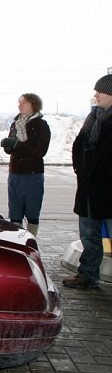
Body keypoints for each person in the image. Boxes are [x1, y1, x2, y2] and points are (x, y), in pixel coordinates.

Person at [63, 74, 112, 289]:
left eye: (100, 91)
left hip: (108, 190)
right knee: (89, 236)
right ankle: (87, 275)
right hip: (88, 189)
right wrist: (79, 168)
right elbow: (78, 144)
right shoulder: (93, 117)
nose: (96, 95)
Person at [0, 93, 51, 236]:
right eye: (19, 102)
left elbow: (40, 151)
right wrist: (8, 145)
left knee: (32, 212)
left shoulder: (41, 125)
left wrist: (17, 145)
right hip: (15, 174)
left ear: (33, 105)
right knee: (15, 213)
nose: (20, 105)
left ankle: (30, 241)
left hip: (32, 175)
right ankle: (15, 242)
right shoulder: (16, 124)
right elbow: (13, 149)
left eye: (24, 102)